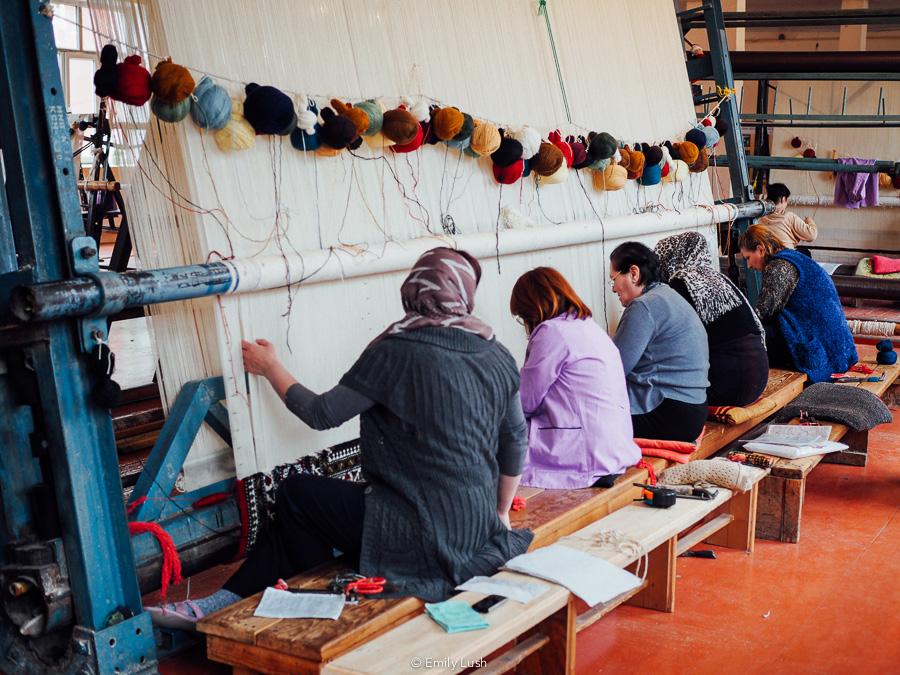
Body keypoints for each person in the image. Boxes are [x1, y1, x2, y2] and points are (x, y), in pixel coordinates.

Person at [146, 247, 532, 629]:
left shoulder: (397, 350)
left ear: (413, 288)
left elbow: (322, 414)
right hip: (476, 530)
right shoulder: (495, 351)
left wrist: (270, 367)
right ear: (465, 292)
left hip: (416, 534)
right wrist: (497, 513)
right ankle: (244, 597)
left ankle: (304, 602)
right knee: (306, 511)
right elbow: (515, 438)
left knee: (296, 494)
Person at [509, 267, 640, 489]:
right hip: (614, 448)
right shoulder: (589, 327)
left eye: (523, 316)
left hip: (585, 454)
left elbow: (524, 402)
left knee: (498, 446)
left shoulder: (551, 332)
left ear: (533, 308)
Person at [608, 242, 710, 442]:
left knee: (587, 420)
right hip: (694, 409)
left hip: (669, 412)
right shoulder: (669, 295)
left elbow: (615, 370)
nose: (613, 288)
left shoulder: (643, 306)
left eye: (614, 279)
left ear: (634, 273)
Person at [654, 231, 768, 407]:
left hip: (731, 385)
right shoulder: (720, 278)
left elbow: (674, 344)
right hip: (759, 378)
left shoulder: (681, 284)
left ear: (673, 257)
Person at [739, 225, 857, 382]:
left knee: (749, 338)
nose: (749, 266)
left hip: (822, 351)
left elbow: (763, 312)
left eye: (748, 258)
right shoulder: (794, 257)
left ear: (760, 250)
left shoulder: (779, 267)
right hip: (839, 349)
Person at [757, 183, 817, 251]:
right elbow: (811, 235)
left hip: (767, 256)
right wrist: (810, 221)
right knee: (805, 252)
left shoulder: (761, 218)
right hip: (786, 257)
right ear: (783, 199)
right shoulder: (788, 217)